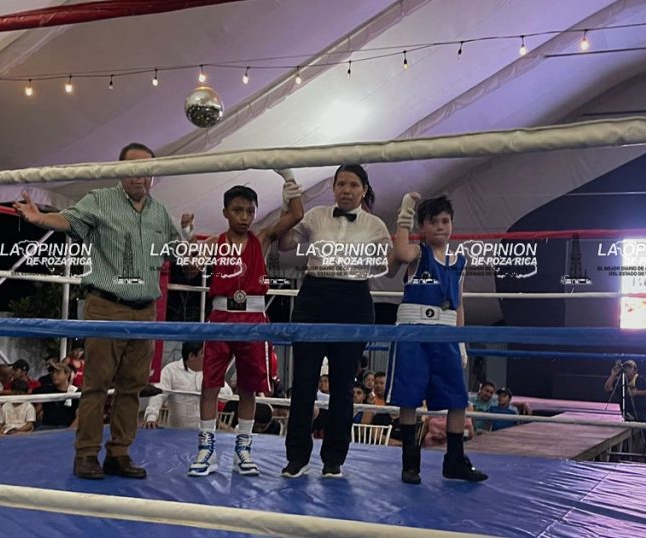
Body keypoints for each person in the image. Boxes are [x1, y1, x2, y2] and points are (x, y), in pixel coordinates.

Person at [14, 142, 193, 480]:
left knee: (132, 386)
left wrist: (191, 250)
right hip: (107, 305)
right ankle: (85, 455)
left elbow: (177, 254)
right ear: (119, 171)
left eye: (146, 170)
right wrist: (39, 218)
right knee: (96, 385)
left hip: (145, 312)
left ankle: (120, 452)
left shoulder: (159, 213)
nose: (139, 177)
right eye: (132, 169)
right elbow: (68, 220)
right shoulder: (100, 200)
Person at [278, 164, 392, 479]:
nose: (346, 189)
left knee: (343, 387)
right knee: (303, 384)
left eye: (353, 184)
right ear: (333, 187)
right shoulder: (315, 216)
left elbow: (388, 266)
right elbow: (285, 244)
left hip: (354, 301)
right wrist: (288, 204)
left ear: (364, 189)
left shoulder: (376, 225)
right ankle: (297, 458)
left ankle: (333, 461)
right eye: (340, 183)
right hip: (314, 297)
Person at [188, 171, 304, 477]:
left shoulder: (262, 239)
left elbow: (296, 214)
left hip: (253, 318)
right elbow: (188, 271)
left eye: (249, 211)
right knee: (210, 383)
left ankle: (244, 450)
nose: (244, 216)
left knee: (250, 388)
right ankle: (206, 450)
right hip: (220, 317)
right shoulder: (214, 242)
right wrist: (188, 244)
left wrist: (289, 179)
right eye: (238, 210)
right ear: (225, 212)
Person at [386, 193, 487, 484]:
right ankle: (410, 463)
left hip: (446, 334)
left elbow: (460, 303)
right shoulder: (418, 253)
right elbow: (401, 254)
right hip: (413, 332)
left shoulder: (459, 261)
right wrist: (404, 212)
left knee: (457, 398)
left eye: (445, 221)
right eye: (433, 222)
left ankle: (454, 460)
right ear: (423, 226)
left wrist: (461, 341)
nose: (441, 227)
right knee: (409, 397)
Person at [142, 342, 232, 430]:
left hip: (206, 434)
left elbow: (228, 396)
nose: (207, 358)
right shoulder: (171, 370)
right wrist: (151, 417)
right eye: (203, 354)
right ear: (191, 356)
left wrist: (211, 388)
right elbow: (159, 394)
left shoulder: (210, 371)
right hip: (177, 434)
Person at [604, 359, 646, 450]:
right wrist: (613, 374)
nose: (627, 370)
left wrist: (637, 393)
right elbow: (608, 388)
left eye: (629, 368)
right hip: (628, 415)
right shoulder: (621, 381)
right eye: (625, 367)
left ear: (635, 370)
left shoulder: (640, 379)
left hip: (642, 415)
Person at [33, 361, 79, 429]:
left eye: (58, 372)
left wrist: (69, 432)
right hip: (45, 428)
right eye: (53, 372)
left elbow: (80, 416)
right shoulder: (46, 390)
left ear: (67, 374)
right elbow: (37, 407)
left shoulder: (76, 393)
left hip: (66, 428)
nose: (54, 375)